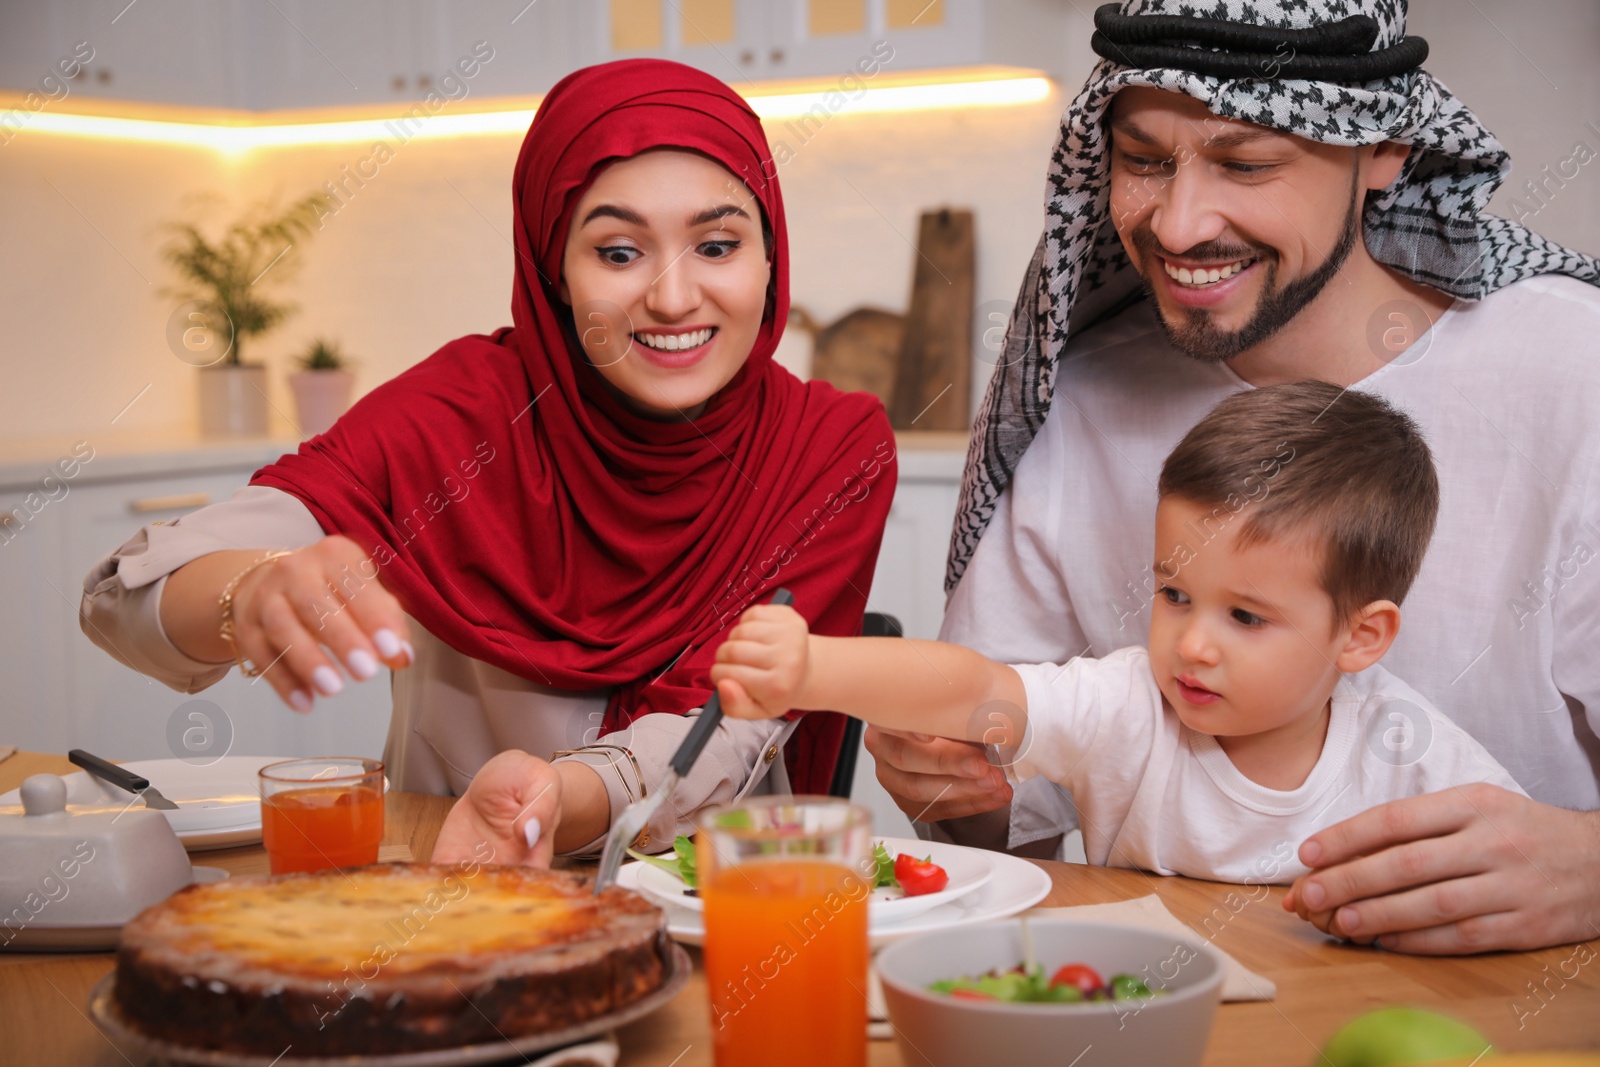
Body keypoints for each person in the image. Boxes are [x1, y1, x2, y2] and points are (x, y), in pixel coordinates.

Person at [872, 0, 1600, 953]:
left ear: (1383, 145)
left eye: (1247, 163)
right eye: (1143, 160)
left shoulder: (1572, 371)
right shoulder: (1072, 398)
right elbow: (1010, 831)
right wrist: (951, 789)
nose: (1177, 224)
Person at [80, 59, 897, 866]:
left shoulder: (828, 446)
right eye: (618, 253)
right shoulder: (459, 412)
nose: (675, 298)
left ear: (769, 258)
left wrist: (553, 798)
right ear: (554, 271)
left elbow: (730, 720)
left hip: (721, 909)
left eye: (717, 244)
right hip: (453, 903)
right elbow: (123, 596)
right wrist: (247, 589)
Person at [716, 382, 1525, 888]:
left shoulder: (1415, 752)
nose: (1193, 644)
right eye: (1175, 593)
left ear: (1361, 636)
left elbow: (1509, 865)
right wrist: (812, 669)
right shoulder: (1126, 704)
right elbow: (975, 688)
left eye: (1245, 616)